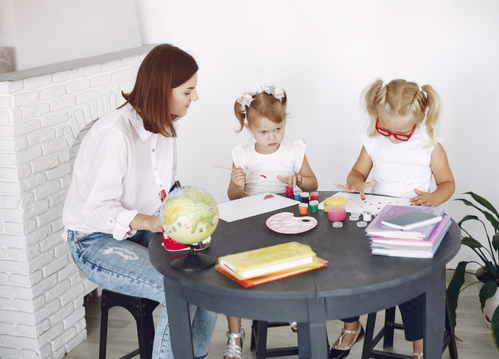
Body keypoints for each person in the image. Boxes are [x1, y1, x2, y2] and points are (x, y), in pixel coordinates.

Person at [62, 44, 217, 359]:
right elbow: (96, 210)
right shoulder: (114, 134)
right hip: (93, 240)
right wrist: (150, 222)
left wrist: (185, 205)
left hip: (139, 228)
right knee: (178, 290)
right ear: (163, 90)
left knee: (208, 275)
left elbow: (163, 190)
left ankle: (191, 356)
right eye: (188, 91)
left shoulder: (164, 127)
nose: (195, 98)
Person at [332, 79, 455, 359]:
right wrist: (355, 182)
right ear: (376, 116)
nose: (389, 136)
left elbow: (447, 182)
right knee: (347, 267)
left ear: (420, 119)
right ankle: (352, 326)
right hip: (376, 217)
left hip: (414, 223)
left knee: (409, 282)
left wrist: (434, 197)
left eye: (399, 134)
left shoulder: (429, 145)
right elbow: (357, 173)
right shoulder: (373, 141)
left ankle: (420, 346)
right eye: (383, 128)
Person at [224, 85, 318, 359]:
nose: (272, 137)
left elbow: (314, 183)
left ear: (284, 121)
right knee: (233, 270)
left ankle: (293, 309)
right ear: (248, 127)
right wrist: (237, 184)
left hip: (287, 222)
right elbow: (232, 197)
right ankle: (235, 334)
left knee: (298, 260)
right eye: (263, 132)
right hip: (250, 221)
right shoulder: (242, 155)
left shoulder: (293, 152)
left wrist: (299, 180)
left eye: (277, 129)